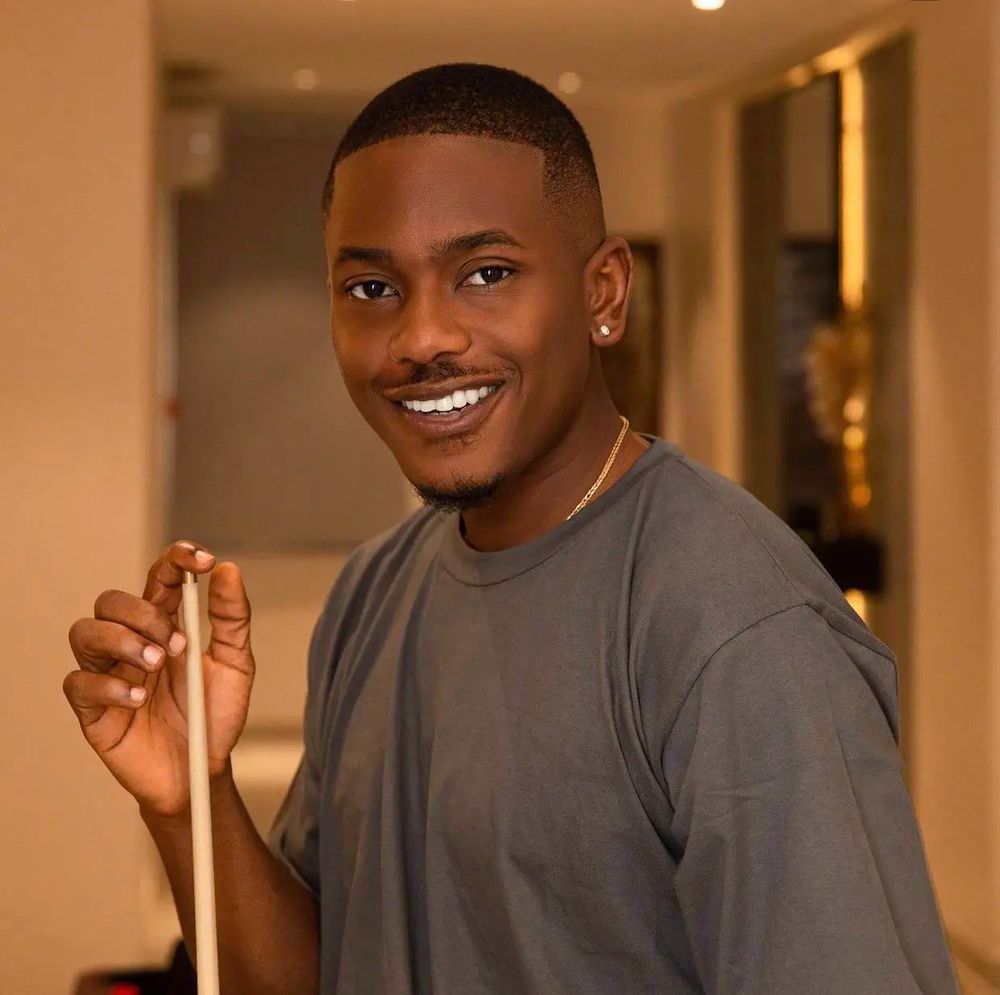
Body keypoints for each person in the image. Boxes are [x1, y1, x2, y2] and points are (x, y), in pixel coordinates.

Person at [64, 63, 960, 994]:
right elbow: (315, 975)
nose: (423, 337)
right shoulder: (375, 589)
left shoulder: (736, 627)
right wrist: (188, 800)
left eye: (485, 274)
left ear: (604, 293)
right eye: (372, 288)